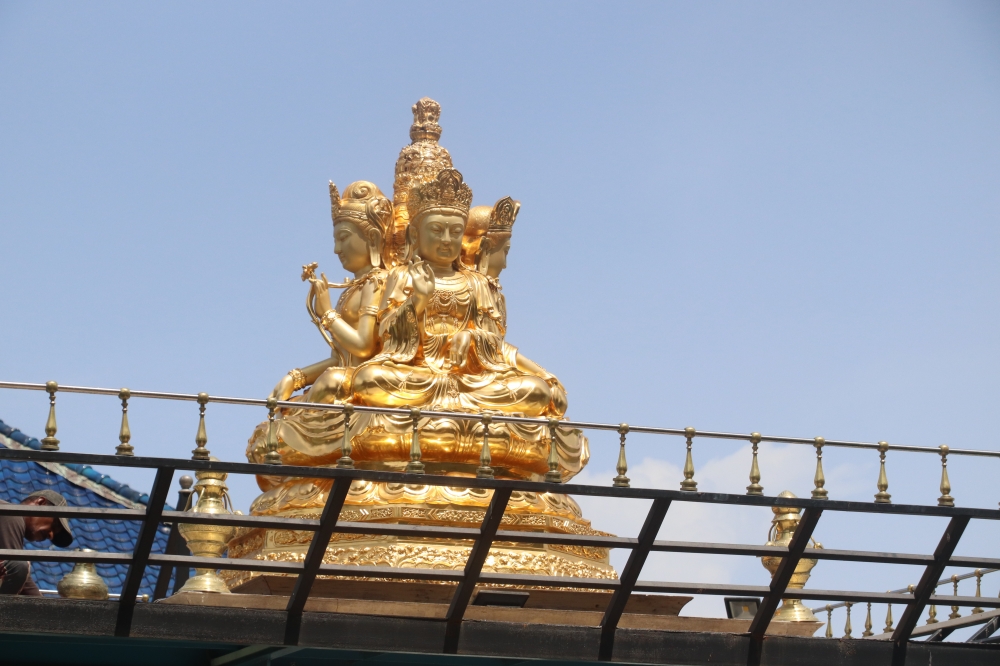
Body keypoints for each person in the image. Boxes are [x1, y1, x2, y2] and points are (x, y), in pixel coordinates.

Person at [0, 490, 74, 595]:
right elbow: (16, 569)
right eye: (55, 525)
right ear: (40, 503)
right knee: (19, 565)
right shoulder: (11, 516)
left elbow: (25, 583)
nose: (51, 535)